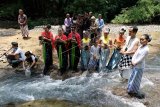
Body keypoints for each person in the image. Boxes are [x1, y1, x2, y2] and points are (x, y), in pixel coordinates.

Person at [127, 34, 152, 99]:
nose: (141, 41)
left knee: (136, 79)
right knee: (132, 77)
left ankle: (134, 92)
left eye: (143, 39)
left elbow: (141, 58)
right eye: (140, 39)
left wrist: (134, 63)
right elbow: (135, 54)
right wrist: (132, 61)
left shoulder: (146, 49)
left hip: (139, 66)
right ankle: (129, 90)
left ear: (147, 40)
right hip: (134, 64)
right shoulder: (140, 46)